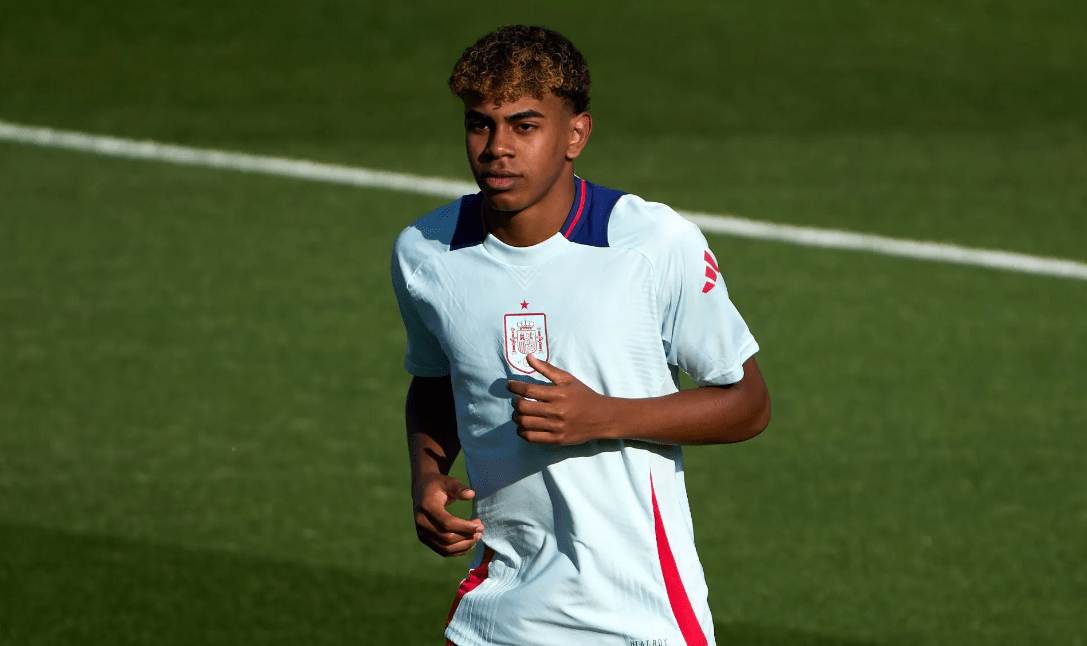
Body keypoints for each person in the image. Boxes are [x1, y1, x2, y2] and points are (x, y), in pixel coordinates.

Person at [390, 24, 771, 646]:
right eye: (480, 124)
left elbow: (747, 405)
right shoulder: (427, 253)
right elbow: (434, 379)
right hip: (498, 614)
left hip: (636, 617)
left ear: (576, 134)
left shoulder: (649, 244)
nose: (497, 148)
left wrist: (601, 416)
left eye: (525, 125)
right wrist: (427, 475)